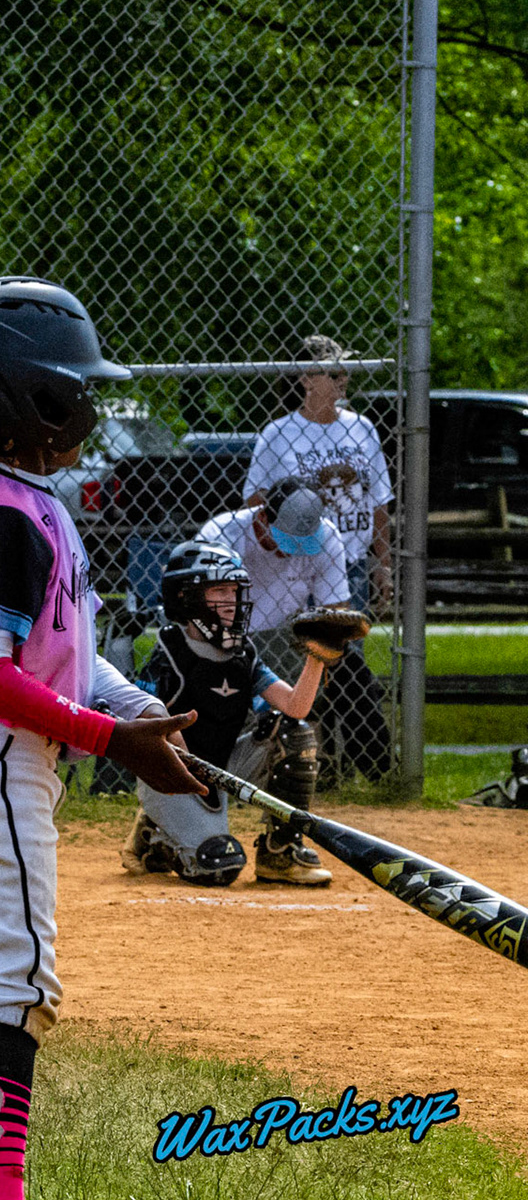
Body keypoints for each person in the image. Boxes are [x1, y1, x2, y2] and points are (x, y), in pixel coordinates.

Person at [0, 277, 203, 1200]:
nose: (90, 400)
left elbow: (55, 659)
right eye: (76, 383)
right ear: (28, 397)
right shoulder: (0, 512)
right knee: (20, 982)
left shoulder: (17, 499)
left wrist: (137, 710)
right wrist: (113, 742)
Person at [121, 542, 332, 886]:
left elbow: (295, 706)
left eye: (234, 591)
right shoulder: (171, 655)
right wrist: (177, 766)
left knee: (293, 731)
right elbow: (137, 729)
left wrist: (318, 657)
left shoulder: (243, 654)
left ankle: (280, 850)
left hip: (223, 767)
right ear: (185, 597)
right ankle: (154, 838)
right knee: (218, 864)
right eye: (219, 590)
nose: (232, 601)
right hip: (171, 776)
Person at [198, 477, 392, 780]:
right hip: (233, 644)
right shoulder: (222, 534)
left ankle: (384, 777)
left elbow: (335, 611)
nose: (291, 551)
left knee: (353, 670)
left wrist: (328, 638)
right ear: (263, 516)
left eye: (302, 541)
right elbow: (204, 616)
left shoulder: (327, 536)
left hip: (292, 641)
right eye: (284, 539)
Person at [244, 335, 394, 613]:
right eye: (334, 372)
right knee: (307, 648)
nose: (344, 379)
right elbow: (255, 499)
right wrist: (281, 549)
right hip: (300, 562)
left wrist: (383, 563)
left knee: (346, 647)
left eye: (345, 372)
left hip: (352, 563)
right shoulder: (278, 434)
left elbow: (378, 500)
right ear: (307, 380)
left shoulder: (362, 428)